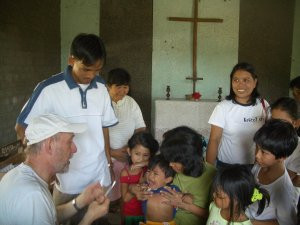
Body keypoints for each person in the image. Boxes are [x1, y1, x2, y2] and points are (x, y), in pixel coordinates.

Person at [15, 33, 118, 223]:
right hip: (67, 181)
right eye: (86, 69)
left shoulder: (102, 87)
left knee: (97, 219)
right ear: (71, 59)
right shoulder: (49, 89)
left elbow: (104, 127)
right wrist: (43, 166)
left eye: (97, 70)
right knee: (61, 219)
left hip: (98, 176)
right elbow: (22, 126)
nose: (91, 76)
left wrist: (108, 160)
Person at [0, 114, 110, 225]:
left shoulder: (16, 175)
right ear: (49, 146)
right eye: (69, 142)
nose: (74, 149)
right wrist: (89, 217)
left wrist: (81, 200)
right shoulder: (33, 196)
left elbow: (49, 214)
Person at [207, 62, 269, 168]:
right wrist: (208, 169)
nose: (240, 85)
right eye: (236, 80)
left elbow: (268, 137)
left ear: (255, 82)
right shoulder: (223, 107)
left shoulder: (263, 105)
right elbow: (214, 139)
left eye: (246, 80)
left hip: (255, 166)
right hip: (227, 166)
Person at [160, 126, 216, 225]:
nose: (170, 164)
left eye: (175, 161)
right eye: (169, 159)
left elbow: (216, 216)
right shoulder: (172, 169)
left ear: (190, 159)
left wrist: (185, 205)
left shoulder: (213, 176)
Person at [246, 119, 299, 225]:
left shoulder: (284, 192)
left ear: (282, 157)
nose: (257, 155)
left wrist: (250, 222)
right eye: (257, 147)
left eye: (264, 152)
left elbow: (287, 223)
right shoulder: (260, 165)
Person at [106, 68, 146, 205]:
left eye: (125, 87)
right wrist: (111, 152)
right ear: (108, 86)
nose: (123, 91)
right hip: (105, 156)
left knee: (124, 190)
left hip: (128, 155)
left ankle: (119, 207)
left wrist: (131, 148)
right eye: (118, 87)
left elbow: (141, 128)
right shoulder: (102, 102)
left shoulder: (131, 102)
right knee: (106, 190)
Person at [120, 131, 159, 225]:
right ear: (129, 151)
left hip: (148, 212)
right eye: (137, 154)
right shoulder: (125, 173)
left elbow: (161, 161)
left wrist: (145, 163)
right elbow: (125, 198)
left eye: (145, 155)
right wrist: (133, 189)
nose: (141, 159)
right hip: (132, 214)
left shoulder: (150, 168)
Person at [140, 154, 180, 225]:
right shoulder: (145, 187)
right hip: (148, 223)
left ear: (167, 179)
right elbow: (134, 188)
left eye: (155, 173)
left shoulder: (172, 190)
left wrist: (187, 197)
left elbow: (185, 198)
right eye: (149, 171)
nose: (150, 176)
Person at [270, 97, 300, 187]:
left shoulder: (298, 147)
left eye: (281, 122)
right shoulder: (268, 138)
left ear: (296, 123)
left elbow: (287, 178)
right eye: (272, 120)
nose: (275, 126)